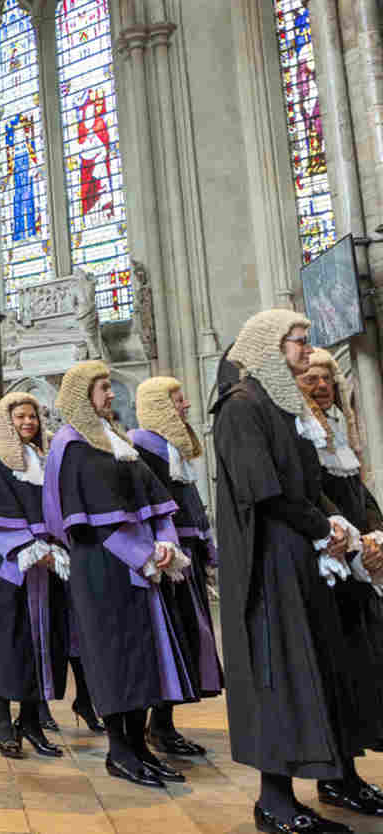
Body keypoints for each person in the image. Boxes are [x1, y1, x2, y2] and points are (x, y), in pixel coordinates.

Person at [213, 310, 368, 833]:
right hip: (268, 558)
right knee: (277, 676)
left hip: (297, 554)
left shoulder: (281, 405)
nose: (306, 351)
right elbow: (265, 489)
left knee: (312, 672)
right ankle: (274, 804)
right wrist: (322, 527)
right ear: (271, 346)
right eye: (299, 343)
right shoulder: (241, 408)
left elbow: (307, 480)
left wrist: (336, 523)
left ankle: (329, 780)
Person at [45, 360, 196, 789]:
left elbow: (159, 500)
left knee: (144, 656)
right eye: (103, 388)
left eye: (110, 386)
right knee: (114, 658)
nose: (111, 394)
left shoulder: (118, 440)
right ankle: (119, 751)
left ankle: (140, 745)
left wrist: (166, 542)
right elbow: (93, 520)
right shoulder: (71, 445)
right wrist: (145, 555)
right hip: (103, 569)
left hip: (143, 568)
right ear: (81, 395)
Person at [296, 348, 383, 815]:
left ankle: (349, 773)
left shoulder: (339, 431)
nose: (320, 383)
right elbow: (313, 495)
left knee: (361, 669)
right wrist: (347, 536)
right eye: (310, 376)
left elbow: (359, 491)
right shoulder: (302, 433)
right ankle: (336, 777)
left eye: (327, 376)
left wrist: (375, 535)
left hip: (356, 562)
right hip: (326, 562)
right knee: (336, 672)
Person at [0, 392, 72, 760]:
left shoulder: (41, 461)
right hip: (6, 565)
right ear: (5, 421)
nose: (28, 422)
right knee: (7, 640)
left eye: (32, 417)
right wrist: (28, 548)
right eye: (21, 417)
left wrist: (56, 546)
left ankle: (30, 720)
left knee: (40, 640)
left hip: (43, 566)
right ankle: (2, 719)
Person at [130, 377, 223, 757]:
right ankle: (156, 727)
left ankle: (164, 724)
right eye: (177, 400)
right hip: (166, 561)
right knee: (172, 638)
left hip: (188, 557)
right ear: (159, 405)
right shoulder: (141, 449)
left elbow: (190, 501)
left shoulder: (173, 450)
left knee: (187, 636)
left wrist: (206, 543)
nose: (186, 405)